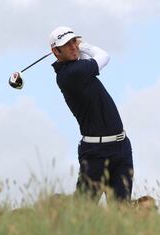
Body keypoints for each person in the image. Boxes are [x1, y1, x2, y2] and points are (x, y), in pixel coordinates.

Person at [49, 26, 133, 202]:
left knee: (121, 210)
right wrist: (84, 45)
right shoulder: (69, 74)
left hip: (121, 147)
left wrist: (79, 49)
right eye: (67, 44)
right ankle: (57, 209)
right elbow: (103, 57)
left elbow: (86, 60)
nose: (73, 47)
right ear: (56, 51)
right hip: (96, 153)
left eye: (74, 41)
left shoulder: (77, 68)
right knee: (84, 210)